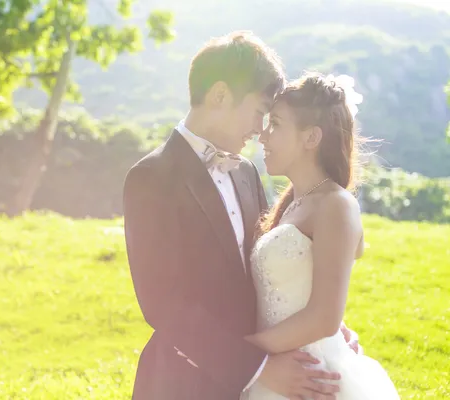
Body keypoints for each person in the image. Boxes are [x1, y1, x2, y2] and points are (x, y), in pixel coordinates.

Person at [123, 31, 360, 400]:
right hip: (185, 380)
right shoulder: (151, 177)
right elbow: (163, 302)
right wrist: (255, 365)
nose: (260, 129)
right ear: (220, 96)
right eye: (259, 113)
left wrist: (324, 326)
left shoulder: (246, 173)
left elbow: (266, 268)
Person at [243, 72, 399, 399]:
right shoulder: (292, 204)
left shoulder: (336, 205)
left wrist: (244, 352)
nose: (263, 136)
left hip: (311, 376)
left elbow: (325, 317)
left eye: (276, 125)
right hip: (276, 371)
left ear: (311, 137)